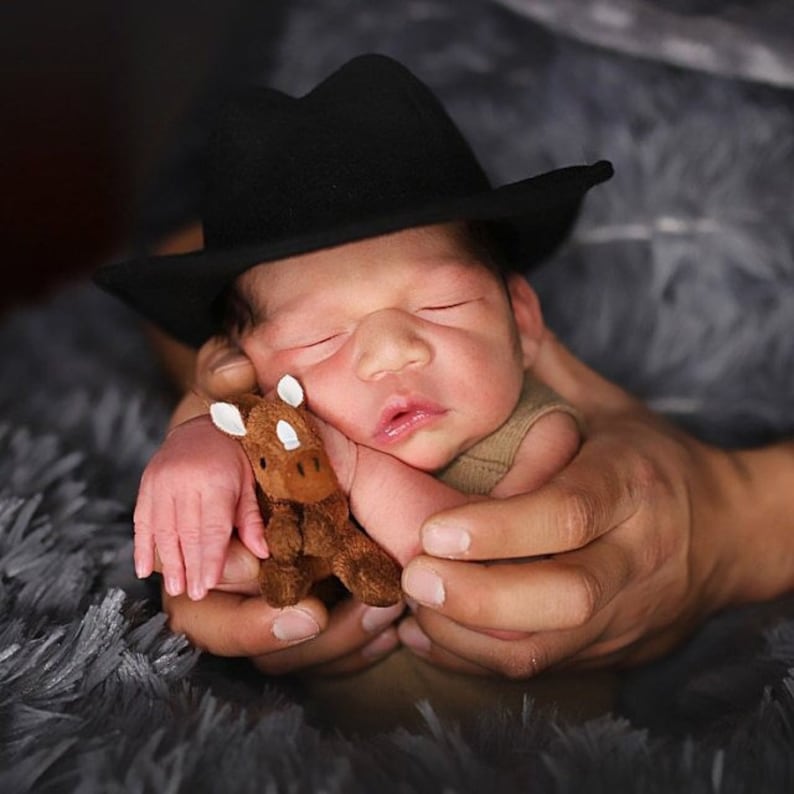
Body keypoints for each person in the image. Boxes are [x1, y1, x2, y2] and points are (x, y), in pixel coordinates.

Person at [97, 53, 794, 697]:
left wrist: (352, 467)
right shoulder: (281, 427)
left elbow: (466, 565)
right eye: (321, 336)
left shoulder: (540, 432)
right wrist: (199, 438)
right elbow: (226, 423)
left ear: (522, 322)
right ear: (247, 365)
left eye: (443, 304)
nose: (392, 351)